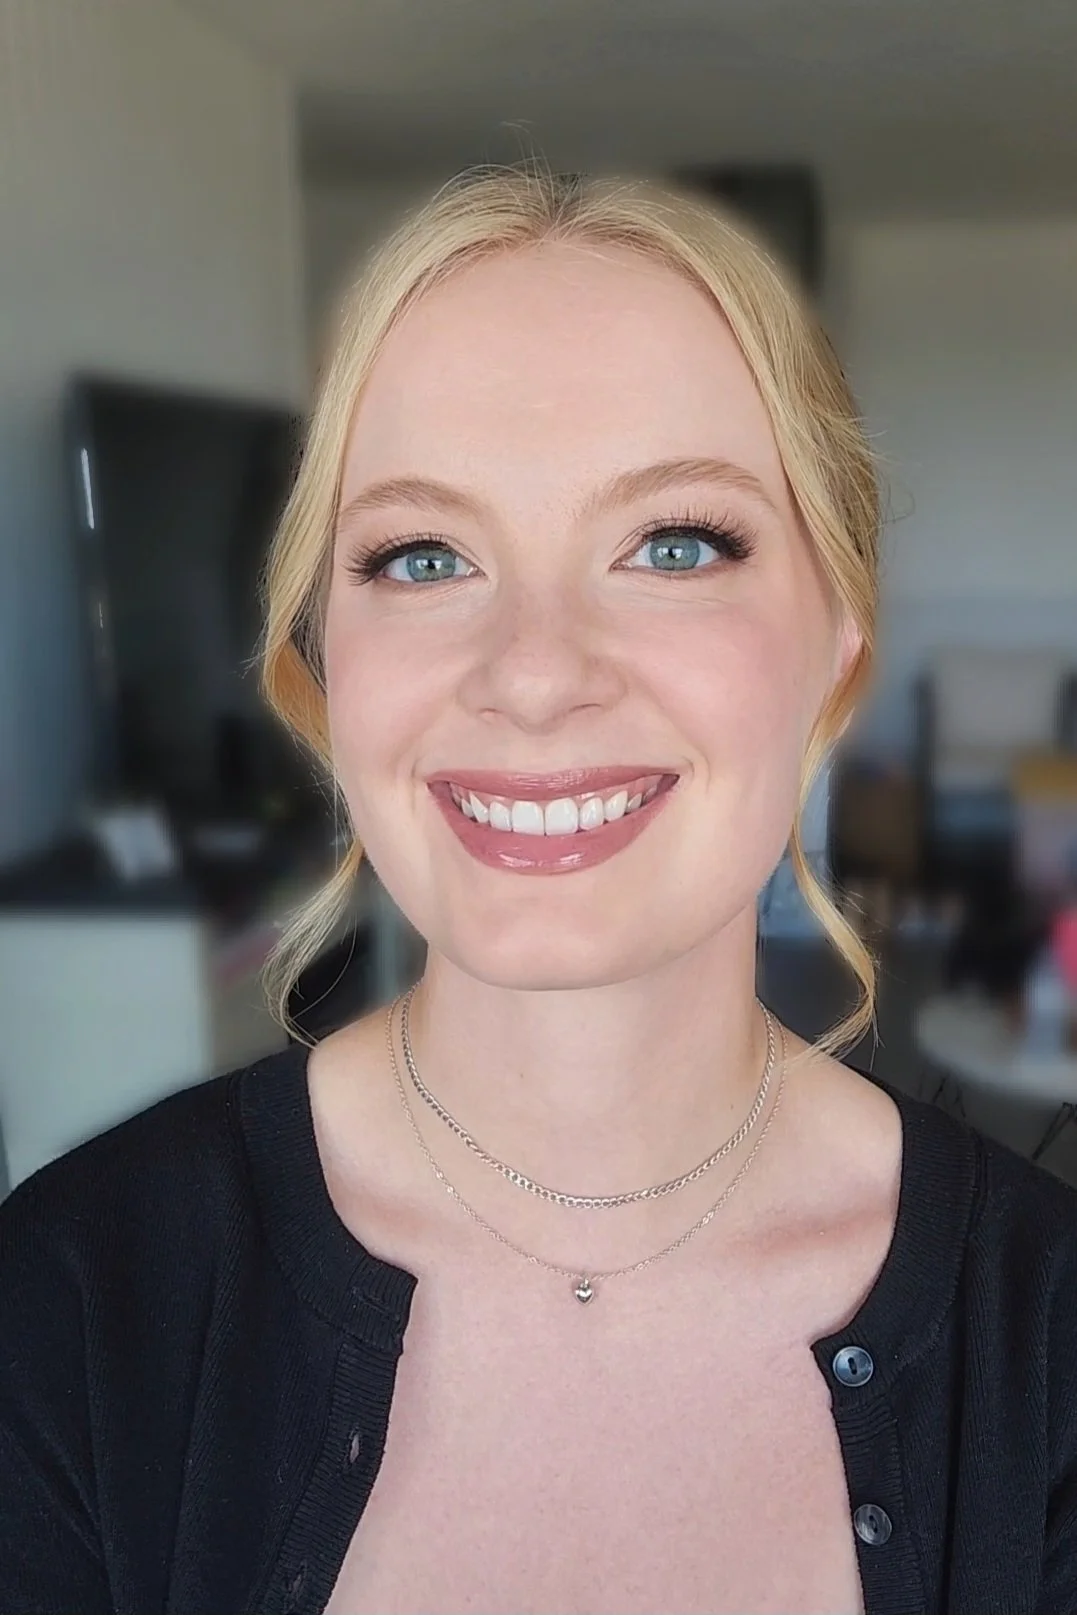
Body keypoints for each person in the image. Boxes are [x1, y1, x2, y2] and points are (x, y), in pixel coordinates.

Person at [2, 162, 1077, 1615]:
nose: (536, 670)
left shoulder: (1050, 1336)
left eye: (675, 542)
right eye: (423, 554)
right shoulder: (67, 1305)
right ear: (327, 652)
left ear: (836, 629)